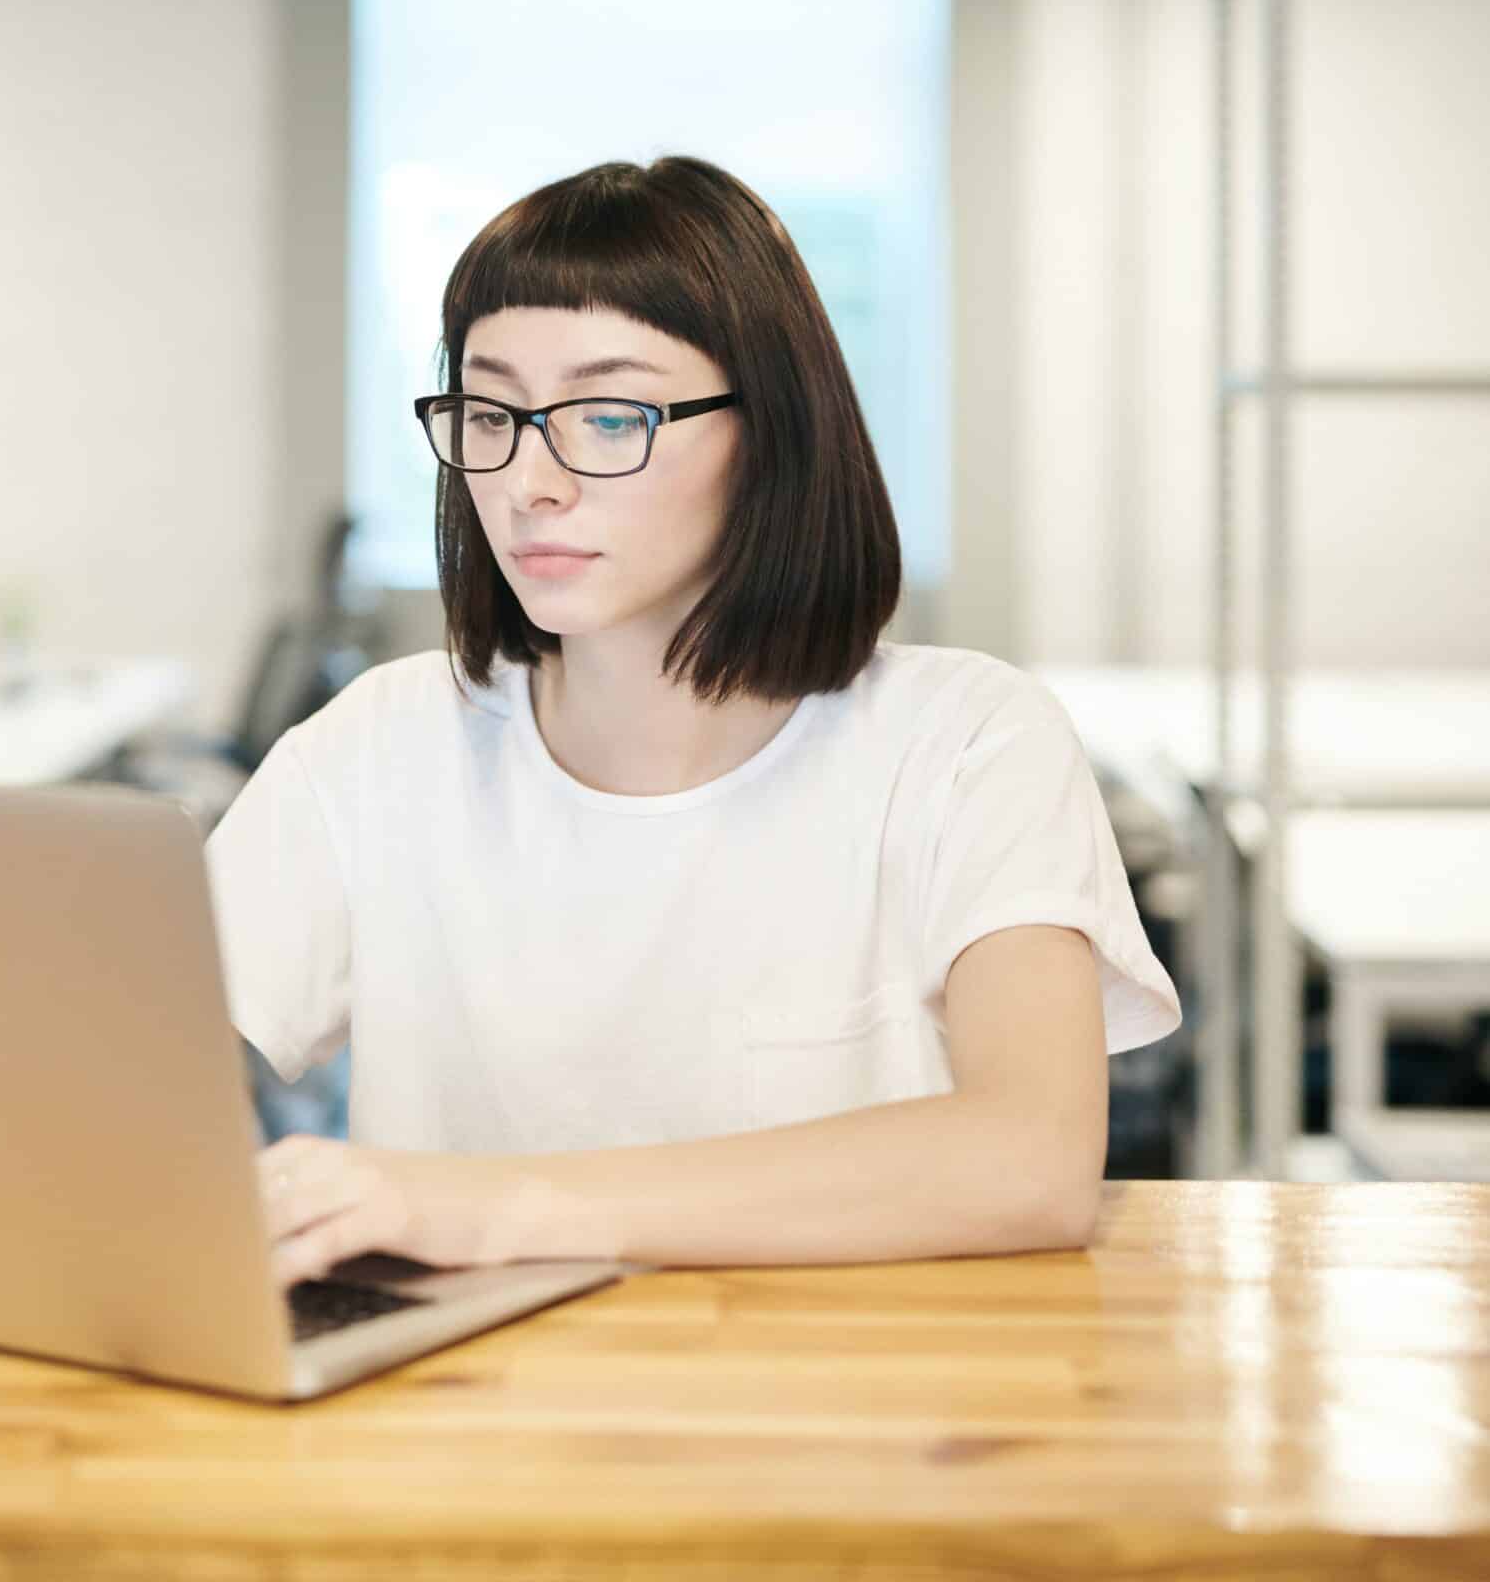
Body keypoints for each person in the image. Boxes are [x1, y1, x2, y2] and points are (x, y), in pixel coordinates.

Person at [205, 155, 1182, 1287]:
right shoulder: (379, 745)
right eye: (490, 409)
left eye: (610, 413)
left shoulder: (968, 740)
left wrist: (490, 1206)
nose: (531, 481)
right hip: (458, 1427)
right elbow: (103, 1073)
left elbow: (1033, 1161)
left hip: (854, 1419)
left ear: (770, 433)